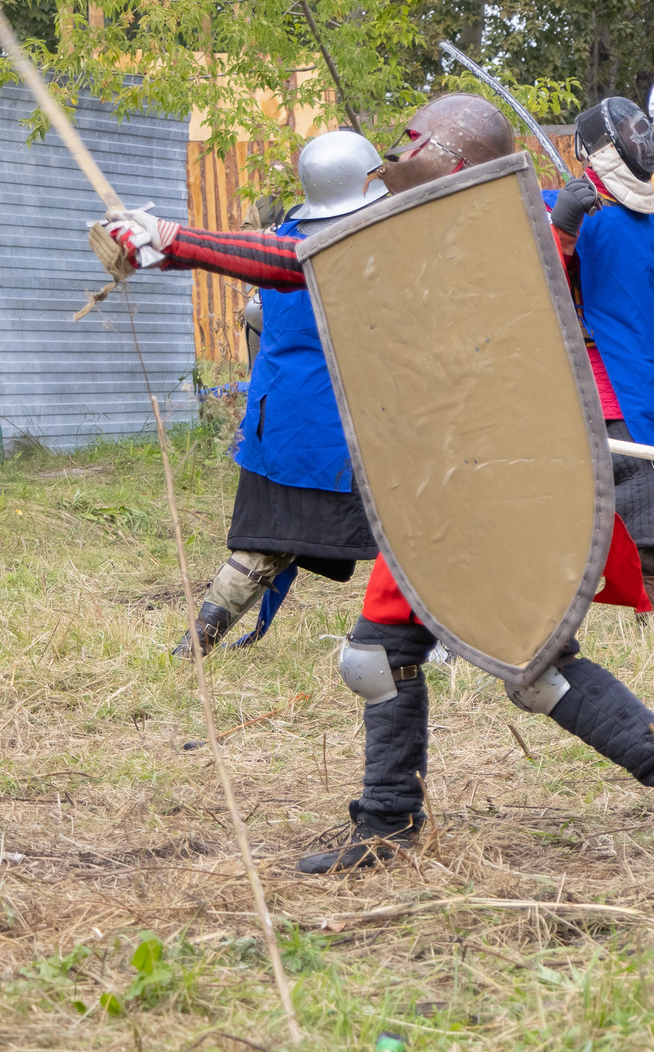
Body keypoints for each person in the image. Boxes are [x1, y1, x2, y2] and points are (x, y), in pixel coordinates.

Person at [107, 96, 654, 872]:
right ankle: (388, 825)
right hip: (444, 486)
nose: (395, 155)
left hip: (492, 489)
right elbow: (310, 261)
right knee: (377, 655)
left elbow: (298, 260)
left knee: (536, 667)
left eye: (411, 142)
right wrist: (171, 249)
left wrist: (174, 239)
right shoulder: (437, 232)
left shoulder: (473, 237)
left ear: (451, 161)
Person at [107, 99, 520, 654]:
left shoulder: (291, 234)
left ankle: (196, 646)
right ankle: (447, 643)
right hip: (353, 430)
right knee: (430, 532)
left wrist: (170, 245)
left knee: (264, 546)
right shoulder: (354, 246)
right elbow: (292, 261)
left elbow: (271, 270)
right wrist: (171, 242)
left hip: (281, 426)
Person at [550, 95, 654, 616]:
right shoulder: (562, 207)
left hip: (651, 370)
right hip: (599, 373)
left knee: (650, 476)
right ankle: (620, 602)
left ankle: (652, 602)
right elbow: (539, 281)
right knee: (631, 476)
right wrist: (562, 228)